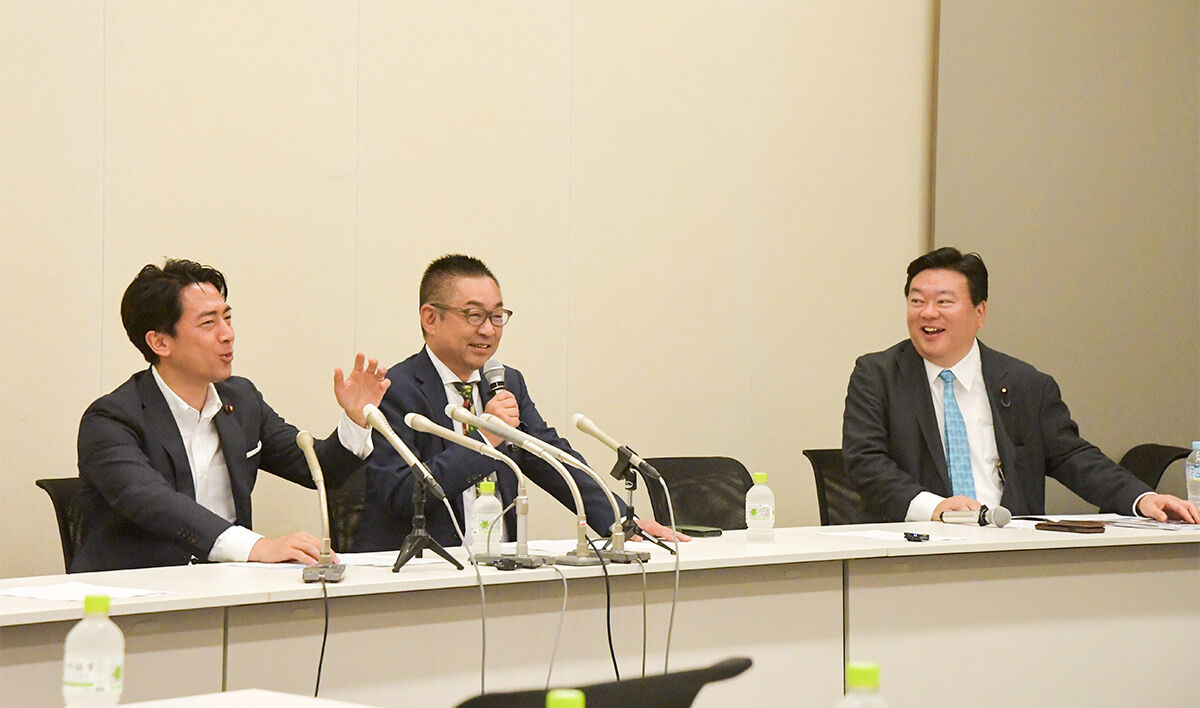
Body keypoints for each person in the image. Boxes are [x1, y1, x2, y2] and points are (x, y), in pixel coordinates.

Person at [73, 259, 392, 572]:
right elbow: (151, 500)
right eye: (208, 323)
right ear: (160, 342)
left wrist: (355, 419)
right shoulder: (111, 419)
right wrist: (255, 547)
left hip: (229, 584)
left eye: (227, 318)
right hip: (138, 589)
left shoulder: (241, 401)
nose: (227, 334)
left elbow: (317, 470)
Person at [842, 247, 1199, 524]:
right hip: (917, 548)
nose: (928, 313)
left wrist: (1142, 498)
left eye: (944, 302)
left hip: (1010, 549)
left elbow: (1073, 457)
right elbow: (865, 461)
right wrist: (935, 507)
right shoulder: (878, 375)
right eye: (917, 301)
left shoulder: (1025, 384)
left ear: (980, 312)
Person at [354, 254, 687, 551]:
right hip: (421, 570)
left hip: (500, 568)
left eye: (497, 316)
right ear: (430, 318)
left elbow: (553, 460)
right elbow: (402, 494)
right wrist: (485, 438)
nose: (488, 330)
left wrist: (622, 522)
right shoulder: (395, 390)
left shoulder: (504, 384)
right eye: (474, 315)